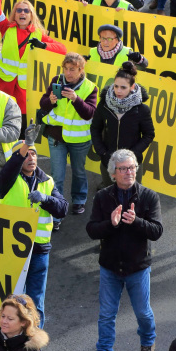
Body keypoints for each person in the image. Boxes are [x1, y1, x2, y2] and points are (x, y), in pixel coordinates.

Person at [85, 149, 163, 351]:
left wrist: (136, 221)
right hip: (110, 267)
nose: (129, 172)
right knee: (106, 315)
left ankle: (148, 343)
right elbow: (91, 230)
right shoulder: (103, 197)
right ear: (113, 173)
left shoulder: (149, 196)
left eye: (132, 168)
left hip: (137, 267)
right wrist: (111, 223)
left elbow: (157, 230)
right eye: (123, 169)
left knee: (142, 312)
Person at [0, 130, 68, 327]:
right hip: (14, 250)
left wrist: (45, 199)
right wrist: (26, 145)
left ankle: (34, 344)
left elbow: (62, 209)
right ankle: (10, 338)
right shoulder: (7, 180)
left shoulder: (47, 181)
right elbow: (9, 170)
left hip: (39, 250)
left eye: (34, 153)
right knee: (11, 302)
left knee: (36, 302)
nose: (31, 157)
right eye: (26, 153)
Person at [0, 0, 67, 128]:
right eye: (19, 10)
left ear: (31, 15)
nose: (22, 13)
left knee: (22, 129)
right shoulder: (6, 28)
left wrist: (44, 45)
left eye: (26, 10)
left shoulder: (38, 34)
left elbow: (62, 49)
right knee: (1, 125)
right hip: (4, 86)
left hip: (24, 92)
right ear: (15, 14)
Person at [39, 53, 98, 225]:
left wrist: (75, 99)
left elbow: (89, 113)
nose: (68, 73)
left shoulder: (90, 87)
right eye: (65, 68)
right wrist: (49, 100)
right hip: (57, 137)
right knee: (57, 175)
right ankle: (56, 214)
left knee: (79, 172)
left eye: (72, 69)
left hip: (79, 140)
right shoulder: (57, 80)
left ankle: (79, 199)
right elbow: (43, 104)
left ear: (81, 70)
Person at [91, 62, 154, 189]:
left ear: (132, 87)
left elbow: (149, 134)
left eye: (123, 87)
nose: (118, 91)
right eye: (116, 86)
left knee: (132, 199)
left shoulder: (142, 109)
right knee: (109, 197)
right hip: (108, 161)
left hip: (132, 164)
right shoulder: (104, 105)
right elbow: (95, 128)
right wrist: (102, 152)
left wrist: (133, 153)